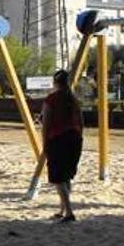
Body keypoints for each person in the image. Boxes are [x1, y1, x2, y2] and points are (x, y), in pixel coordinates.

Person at [42, 69, 83, 223]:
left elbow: (46, 123)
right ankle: (63, 209)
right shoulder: (73, 99)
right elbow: (81, 121)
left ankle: (69, 213)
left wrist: (45, 143)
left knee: (58, 178)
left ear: (55, 83)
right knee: (66, 176)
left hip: (58, 139)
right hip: (74, 139)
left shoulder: (51, 99)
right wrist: (79, 137)